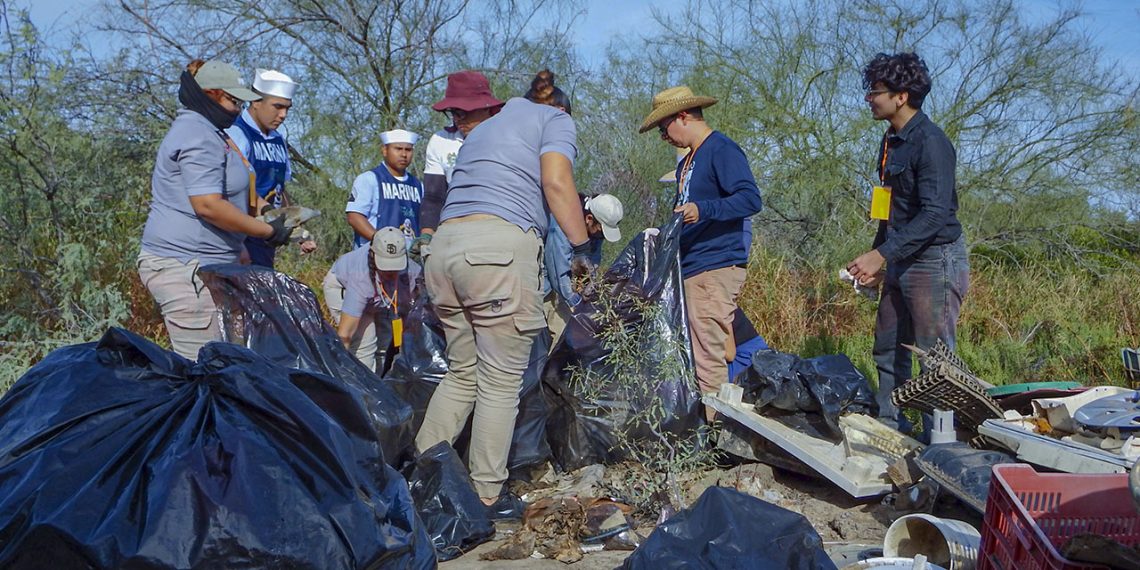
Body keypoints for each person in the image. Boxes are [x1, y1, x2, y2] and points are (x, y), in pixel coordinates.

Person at [415, 70, 589, 520]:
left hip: (443, 251)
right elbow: (556, 183)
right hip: (495, 252)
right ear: (560, 107)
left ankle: (419, 479)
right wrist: (582, 247)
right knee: (500, 380)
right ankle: (486, 497)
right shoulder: (555, 121)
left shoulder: (482, 131)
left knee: (462, 373)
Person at [845, 52, 969, 434]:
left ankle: (942, 443)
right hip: (900, 257)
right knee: (888, 347)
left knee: (934, 358)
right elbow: (888, 204)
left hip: (935, 260)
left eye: (875, 91)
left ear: (901, 96)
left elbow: (934, 215)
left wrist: (881, 255)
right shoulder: (891, 142)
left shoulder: (932, 143)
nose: (869, 98)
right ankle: (891, 429)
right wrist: (877, 258)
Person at [138, 59, 291, 360]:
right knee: (205, 369)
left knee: (228, 364)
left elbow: (237, 189)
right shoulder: (197, 134)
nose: (237, 109)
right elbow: (208, 205)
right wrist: (266, 231)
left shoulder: (214, 132)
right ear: (211, 94)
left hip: (213, 266)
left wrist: (262, 224)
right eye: (233, 101)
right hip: (186, 268)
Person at [639, 86, 763, 420]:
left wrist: (703, 209)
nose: (664, 137)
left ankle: (718, 433)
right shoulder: (688, 163)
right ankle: (719, 425)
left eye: (664, 128)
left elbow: (751, 199)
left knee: (707, 354)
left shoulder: (720, 149)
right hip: (694, 267)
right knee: (705, 349)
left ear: (682, 116)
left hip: (715, 264)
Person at [410, 70, 505, 262]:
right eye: (454, 112)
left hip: (498, 228)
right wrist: (427, 236)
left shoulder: (506, 137)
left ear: (487, 109)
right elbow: (434, 196)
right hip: (454, 230)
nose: (458, 118)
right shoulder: (441, 141)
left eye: (465, 111)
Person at [225, 68, 316, 268]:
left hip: (266, 238)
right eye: (277, 107)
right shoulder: (236, 134)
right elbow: (228, 191)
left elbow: (280, 189)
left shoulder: (278, 140)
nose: (283, 115)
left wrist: (297, 229)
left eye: (287, 109)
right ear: (256, 101)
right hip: (240, 237)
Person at [322, 226, 412, 375]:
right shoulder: (360, 277)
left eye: (394, 266)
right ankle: (362, 390)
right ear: (372, 255)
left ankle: (380, 382)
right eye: (385, 266)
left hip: (380, 295)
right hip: (342, 286)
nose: (390, 272)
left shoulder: (411, 270)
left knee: (386, 339)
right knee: (365, 341)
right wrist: (336, 371)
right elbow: (345, 334)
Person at [543, 193, 624, 344]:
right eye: (601, 231)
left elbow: (592, 261)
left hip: (564, 288)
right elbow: (557, 272)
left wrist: (590, 288)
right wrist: (577, 302)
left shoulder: (595, 233)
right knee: (559, 333)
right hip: (545, 286)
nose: (602, 237)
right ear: (589, 219)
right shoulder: (563, 223)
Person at [345, 129, 423, 250]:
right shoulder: (369, 179)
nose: (403, 154)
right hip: (373, 257)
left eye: (408, 150)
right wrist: (382, 241)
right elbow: (354, 217)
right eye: (398, 149)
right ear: (385, 150)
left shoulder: (418, 185)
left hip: (410, 259)